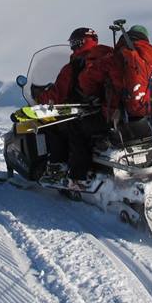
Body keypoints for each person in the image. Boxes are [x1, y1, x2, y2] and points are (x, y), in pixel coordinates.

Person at [33, 27, 112, 189]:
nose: (71, 48)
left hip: (87, 113)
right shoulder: (109, 59)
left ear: (79, 43)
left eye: (73, 44)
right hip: (110, 113)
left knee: (52, 126)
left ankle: (58, 169)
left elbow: (57, 94)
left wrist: (39, 97)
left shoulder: (77, 65)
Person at [80, 24, 152, 132]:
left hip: (116, 119)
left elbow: (86, 79)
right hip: (149, 122)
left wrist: (95, 95)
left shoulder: (114, 58)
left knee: (83, 129)